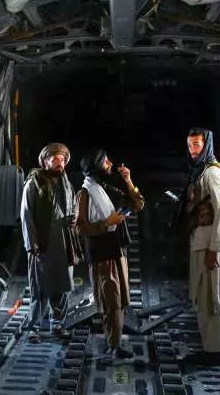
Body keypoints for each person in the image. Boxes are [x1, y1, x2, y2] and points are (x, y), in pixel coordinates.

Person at [74, 148, 145, 360]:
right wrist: (107, 223)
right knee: (110, 300)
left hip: (117, 251)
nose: (111, 164)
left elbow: (138, 204)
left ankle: (114, 343)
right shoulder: (85, 194)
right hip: (102, 255)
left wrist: (128, 180)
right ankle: (112, 345)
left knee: (119, 300)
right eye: (106, 162)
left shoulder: (106, 189)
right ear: (96, 166)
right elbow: (81, 227)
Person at [182, 128, 220, 366]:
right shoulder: (203, 170)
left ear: (207, 145)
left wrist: (214, 247)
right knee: (215, 295)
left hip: (207, 243)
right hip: (205, 240)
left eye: (197, 145)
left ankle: (212, 353)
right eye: (190, 145)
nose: (193, 150)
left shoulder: (211, 172)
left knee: (208, 299)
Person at [20, 142, 82, 343]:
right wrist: (31, 243)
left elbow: (72, 205)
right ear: (45, 161)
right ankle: (34, 327)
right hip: (42, 243)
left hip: (64, 242)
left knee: (61, 285)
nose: (59, 163)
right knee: (40, 288)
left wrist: (74, 217)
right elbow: (26, 214)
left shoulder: (66, 183)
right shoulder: (34, 183)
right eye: (55, 159)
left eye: (62, 159)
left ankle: (58, 324)